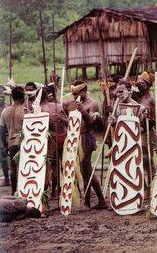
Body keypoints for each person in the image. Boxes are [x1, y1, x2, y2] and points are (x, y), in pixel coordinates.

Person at [63, 81, 107, 209]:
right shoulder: (75, 103)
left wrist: (82, 111)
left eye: (77, 93)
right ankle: (88, 202)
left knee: (87, 170)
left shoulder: (92, 104)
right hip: (77, 137)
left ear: (84, 91)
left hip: (87, 138)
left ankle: (100, 201)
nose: (75, 96)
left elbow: (91, 123)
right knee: (84, 171)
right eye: (73, 94)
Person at [0, 86, 27, 195]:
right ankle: (24, 191)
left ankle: (13, 192)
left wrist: (5, 146)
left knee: (13, 169)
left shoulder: (5, 111)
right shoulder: (25, 111)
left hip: (11, 144)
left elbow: (1, 131)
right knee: (24, 167)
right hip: (23, 143)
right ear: (23, 97)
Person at [40, 87, 68, 198]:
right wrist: (61, 119)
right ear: (47, 96)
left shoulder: (38, 110)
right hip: (62, 137)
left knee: (52, 166)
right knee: (59, 165)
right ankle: (55, 191)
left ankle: (52, 192)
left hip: (52, 140)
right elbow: (68, 121)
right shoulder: (57, 106)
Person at [0, 94, 9, 186]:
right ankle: (6, 179)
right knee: (2, 159)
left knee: (12, 159)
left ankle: (14, 178)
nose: (0, 98)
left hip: (10, 136)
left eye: (2, 96)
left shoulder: (8, 107)